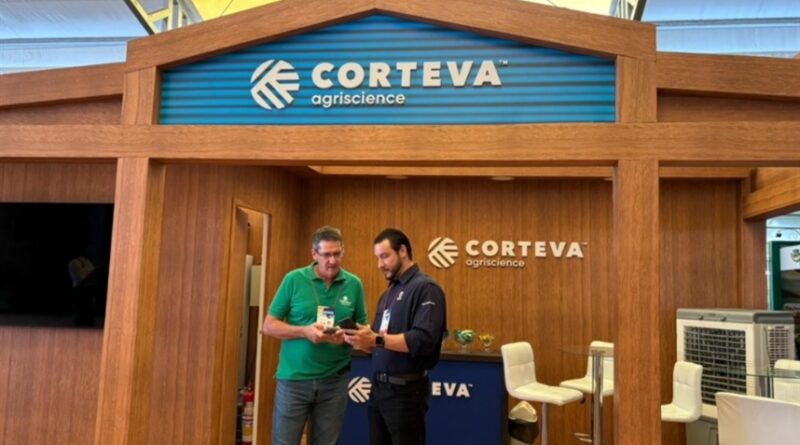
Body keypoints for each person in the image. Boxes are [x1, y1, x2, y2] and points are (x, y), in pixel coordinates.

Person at [262, 225, 368, 445]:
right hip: (294, 380)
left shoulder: (354, 284)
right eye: (326, 254)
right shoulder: (294, 279)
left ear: (343, 252)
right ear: (314, 254)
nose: (332, 261)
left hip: (334, 382)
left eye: (337, 254)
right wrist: (304, 331)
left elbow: (364, 333)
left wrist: (347, 337)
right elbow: (269, 326)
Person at [344, 228, 447, 445]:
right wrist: (359, 339)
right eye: (377, 258)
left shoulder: (426, 288)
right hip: (378, 389)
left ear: (403, 251)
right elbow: (377, 343)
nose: (379, 264)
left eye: (384, 256)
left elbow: (423, 340)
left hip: (406, 392)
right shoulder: (388, 294)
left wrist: (376, 340)